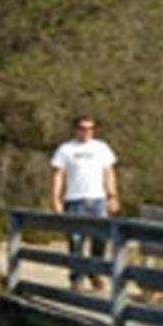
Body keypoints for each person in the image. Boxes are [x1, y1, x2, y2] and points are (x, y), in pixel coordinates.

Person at [50, 114, 119, 290]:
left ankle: (95, 272)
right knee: (75, 240)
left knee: (100, 239)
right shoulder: (66, 149)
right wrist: (56, 199)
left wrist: (112, 196)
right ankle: (76, 277)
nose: (87, 132)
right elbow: (58, 175)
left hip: (98, 200)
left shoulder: (101, 148)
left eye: (90, 128)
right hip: (75, 200)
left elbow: (109, 172)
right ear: (76, 130)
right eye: (83, 128)